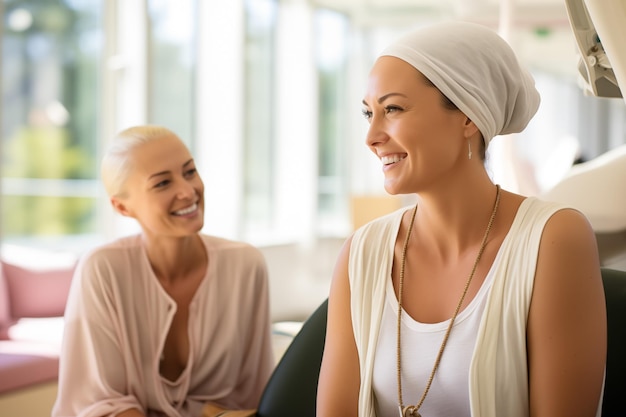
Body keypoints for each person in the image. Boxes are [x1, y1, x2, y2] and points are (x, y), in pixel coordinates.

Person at [317, 21, 606, 417]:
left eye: (393, 109)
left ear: (468, 116)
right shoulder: (362, 252)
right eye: (369, 113)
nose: (371, 136)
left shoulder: (553, 239)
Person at [52, 125, 274, 417]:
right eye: (162, 184)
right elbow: (99, 404)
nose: (187, 191)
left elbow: (255, 397)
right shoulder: (102, 269)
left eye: (190, 172)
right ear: (122, 207)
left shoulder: (246, 265)